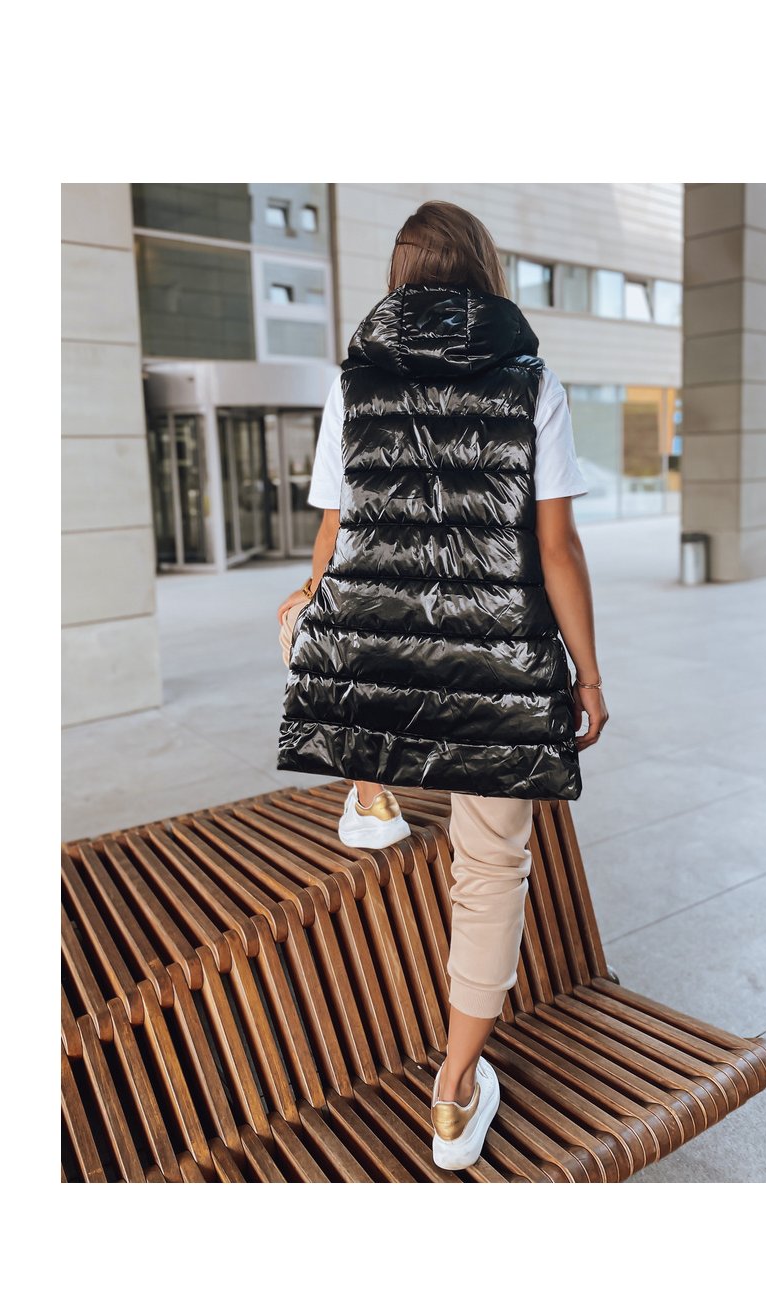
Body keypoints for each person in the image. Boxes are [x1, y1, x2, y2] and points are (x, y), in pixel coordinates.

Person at [275, 200, 607, 1171]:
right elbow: (555, 544)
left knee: (301, 614)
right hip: (495, 663)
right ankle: (456, 1093)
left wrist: (311, 605)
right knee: (492, 866)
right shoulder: (531, 379)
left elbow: (335, 529)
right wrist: (586, 674)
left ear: (401, 278)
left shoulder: (354, 382)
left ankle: (372, 789)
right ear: (483, 272)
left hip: (378, 662)